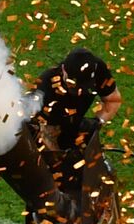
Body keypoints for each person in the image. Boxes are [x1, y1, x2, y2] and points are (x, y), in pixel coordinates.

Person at [32, 47, 122, 194]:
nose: (80, 92)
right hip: (47, 134)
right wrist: (60, 167)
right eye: (75, 86)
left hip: (74, 125)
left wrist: (98, 122)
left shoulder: (98, 70)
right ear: (63, 71)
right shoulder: (46, 89)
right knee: (58, 190)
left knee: (97, 178)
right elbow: (46, 136)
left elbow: (113, 100)